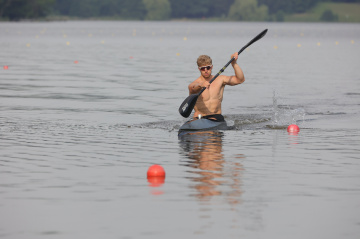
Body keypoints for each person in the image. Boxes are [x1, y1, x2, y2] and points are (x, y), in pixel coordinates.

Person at [188, 53, 245, 121]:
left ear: (211, 67)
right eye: (203, 68)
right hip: (199, 118)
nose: (206, 70)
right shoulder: (195, 83)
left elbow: (240, 80)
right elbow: (192, 88)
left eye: (208, 67)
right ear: (199, 69)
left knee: (211, 130)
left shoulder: (220, 79)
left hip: (216, 116)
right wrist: (201, 85)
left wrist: (234, 64)